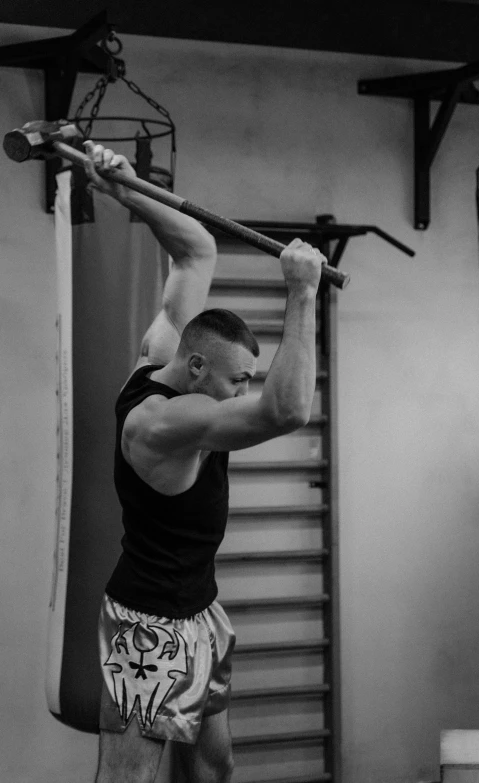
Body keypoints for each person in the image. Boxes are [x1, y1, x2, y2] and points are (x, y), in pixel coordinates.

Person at [83, 140, 325, 783]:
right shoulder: (165, 421)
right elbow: (286, 411)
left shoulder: (163, 353)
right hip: (149, 629)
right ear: (196, 369)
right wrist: (302, 294)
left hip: (199, 611)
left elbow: (197, 251)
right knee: (129, 779)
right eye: (238, 380)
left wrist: (126, 188)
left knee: (216, 768)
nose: (244, 390)